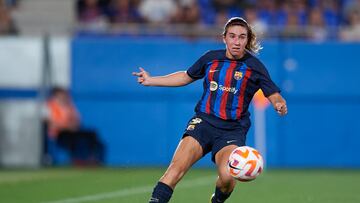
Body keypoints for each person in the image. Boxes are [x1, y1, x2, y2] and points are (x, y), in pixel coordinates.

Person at [132, 17, 287, 203]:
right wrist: (151, 80)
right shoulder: (210, 58)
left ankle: (217, 200)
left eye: (242, 37)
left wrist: (279, 103)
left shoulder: (255, 67)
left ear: (247, 39)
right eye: (232, 36)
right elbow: (185, 77)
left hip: (232, 130)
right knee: (174, 171)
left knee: (228, 179)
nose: (237, 42)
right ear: (224, 38)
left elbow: (273, 94)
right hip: (203, 123)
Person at [46, 87, 105, 165]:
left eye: (65, 95)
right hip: (58, 134)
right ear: (55, 96)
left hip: (72, 131)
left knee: (92, 134)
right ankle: (78, 159)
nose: (64, 97)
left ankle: (92, 159)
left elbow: (77, 119)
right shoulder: (49, 106)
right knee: (74, 139)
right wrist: (67, 125)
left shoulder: (69, 105)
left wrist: (72, 125)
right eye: (61, 95)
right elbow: (51, 123)